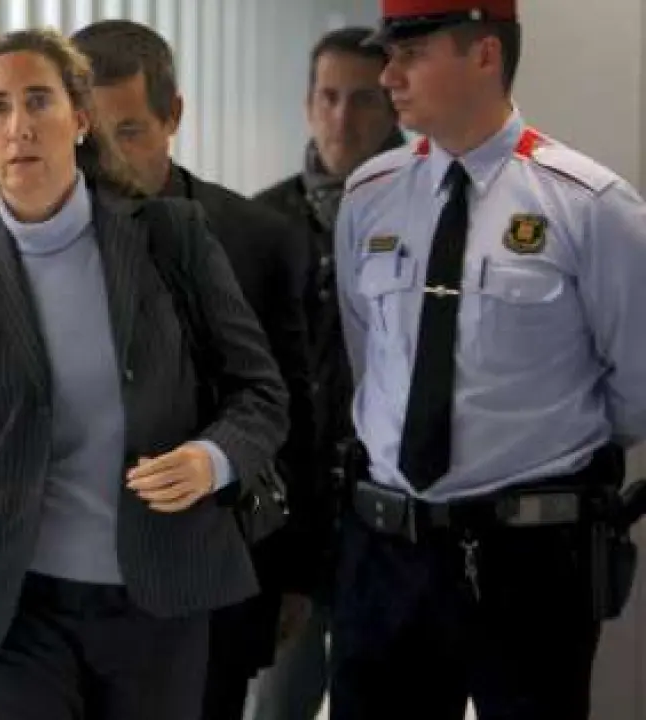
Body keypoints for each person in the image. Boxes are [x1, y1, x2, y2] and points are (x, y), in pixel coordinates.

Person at [0, 29, 288, 720]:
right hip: (11, 612)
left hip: (158, 599)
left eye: (39, 100)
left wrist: (212, 460)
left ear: (80, 117)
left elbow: (260, 394)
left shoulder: (171, 236)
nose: (19, 126)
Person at [334, 1, 646, 718]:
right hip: (386, 553)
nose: (388, 77)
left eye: (412, 55)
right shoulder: (370, 195)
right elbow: (368, 355)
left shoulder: (588, 204)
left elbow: (636, 383)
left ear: (484, 55)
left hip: (528, 559)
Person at [71, 20, 313, 719]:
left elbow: (291, 413)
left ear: (173, 116)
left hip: (216, 577)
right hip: (69, 585)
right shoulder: (34, 242)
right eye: (92, 137)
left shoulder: (256, 239)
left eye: (130, 133)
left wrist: (295, 576)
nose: (109, 160)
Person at [249, 26, 405, 720]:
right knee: (279, 699)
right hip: (292, 516)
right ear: (308, 105)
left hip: (394, 516)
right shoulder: (260, 222)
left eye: (364, 99)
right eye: (329, 97)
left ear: (393, 107)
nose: (343, 118)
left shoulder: (434, 213)